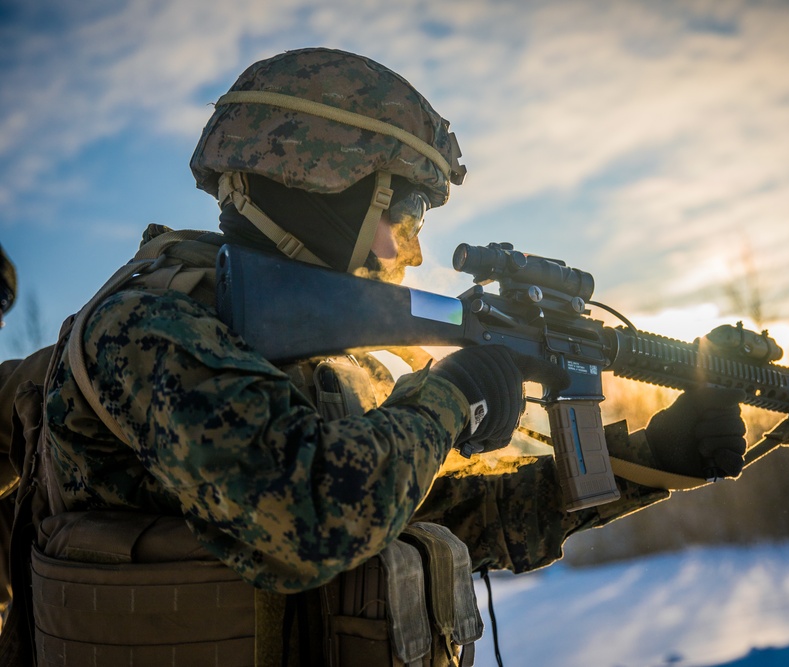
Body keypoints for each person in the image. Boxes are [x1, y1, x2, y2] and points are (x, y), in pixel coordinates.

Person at [1, 48, 747, 666]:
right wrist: (452, 398)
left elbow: (444, 513)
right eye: (405, 212)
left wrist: (653, 457)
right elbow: (312, 515)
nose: (413, 248)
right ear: (320, 182)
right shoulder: (147, 329)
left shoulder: (316, 360)